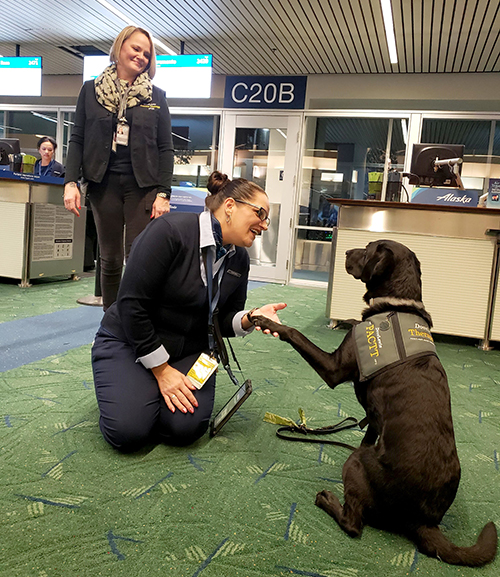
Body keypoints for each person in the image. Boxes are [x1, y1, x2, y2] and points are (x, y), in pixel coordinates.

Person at [91, 171, 286, 452]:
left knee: (184, 429)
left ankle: (142, 391)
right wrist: (161, 371)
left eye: (267, 218)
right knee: (129, 432)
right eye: (260, 214)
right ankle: (131, 381)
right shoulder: (169, 231)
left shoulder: (239, 258)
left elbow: (222, 319)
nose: (264, 225)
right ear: (230, 207)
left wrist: (251, 317)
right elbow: (132, 305)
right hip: (131, 340)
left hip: (188, 349)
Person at [63, 25, 174, 310]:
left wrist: (164, 193)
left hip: (143, 186)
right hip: (103, 184)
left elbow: (165, 148)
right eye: (136, 48)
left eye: (147, 54)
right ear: (120, 47)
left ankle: (136, 321)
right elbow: (77, 138)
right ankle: (111, 324)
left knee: (137, 257)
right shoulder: (90, 91)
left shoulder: (156, 96)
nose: (141, 56)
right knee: (110, 258)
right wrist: (70, 182)